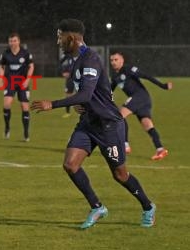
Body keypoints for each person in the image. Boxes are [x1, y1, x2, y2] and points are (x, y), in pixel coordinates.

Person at [31, 19, 156, 229]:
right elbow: (89, 95)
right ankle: (97, 207)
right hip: (88, 124)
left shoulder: (90, 59)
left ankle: (148, 206)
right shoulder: (75, 60)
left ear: (71, 38)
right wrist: (84, 106)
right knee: (70, 165)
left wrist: (52, 104)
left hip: (109, 126)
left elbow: (87, 93)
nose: (58, 40)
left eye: (60, 36)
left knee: (120, 175)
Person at [109, 52, 172, 160]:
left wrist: (163, 86)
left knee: (119, 115)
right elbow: (110, 89)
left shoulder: (128, 69)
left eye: (116, 59)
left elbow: (146, 76)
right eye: (112, 60)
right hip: (142, 100)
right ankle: (160, 149)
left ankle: (125, 145)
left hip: (140, 97)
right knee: (148, 125)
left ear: (122, 60)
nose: (114, 62)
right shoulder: (115, 76)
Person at [0, 33, 34, 141]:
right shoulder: (5, 53)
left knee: (24, 106)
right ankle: (7, 128)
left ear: (19, 41)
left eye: (14, 41)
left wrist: (28, 79)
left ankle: (26, 133)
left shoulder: (25, 53)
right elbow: (1, 66)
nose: (12, 43)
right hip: (10, 81)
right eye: (10, 41)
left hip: (22, 82)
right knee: (7, 104)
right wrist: (0, 78)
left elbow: (31, 66)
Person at [60, 52, 74, 117]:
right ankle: (68, 112)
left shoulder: (81, 53)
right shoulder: (68, 55)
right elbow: (60, 62)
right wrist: (63, 72)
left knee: (85, 94)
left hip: (80, 77)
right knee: (68, 95)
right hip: (70, 79)